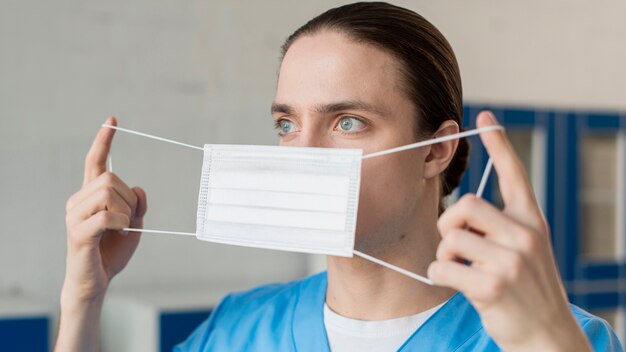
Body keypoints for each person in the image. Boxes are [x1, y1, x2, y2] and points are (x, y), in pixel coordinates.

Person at [55, 2, 623, 351]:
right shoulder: (240, 327)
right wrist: (84, 296)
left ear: (437, 151)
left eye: (347, 121)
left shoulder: (563, 339)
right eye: (286, 122)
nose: (301, 152)